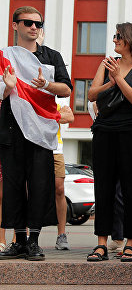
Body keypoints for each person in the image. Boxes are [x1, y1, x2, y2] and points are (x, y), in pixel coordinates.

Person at [0, 6, 72, 261]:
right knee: (13, 185)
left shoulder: (51, 56)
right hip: (11, 129)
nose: (34, 27)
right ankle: (18, 240)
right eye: (28, 23)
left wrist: (46, 85)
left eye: (38, 24)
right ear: (15, 26)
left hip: (41, 131)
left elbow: (66, 89)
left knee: (40, 185)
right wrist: (8, 88)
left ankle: (34, 241)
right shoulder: (4, 56)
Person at [86, 22, 132, 262]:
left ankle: (130, 243)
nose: (114, 40)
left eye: (118, 36)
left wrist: (119, 80)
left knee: (131, 189)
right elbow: (91, 94)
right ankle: (101, 243)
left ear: (131, 39)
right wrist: (110, 82)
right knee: (103, 187)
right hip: (104, 130)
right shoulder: (107, 63)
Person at [54, 104, 75, 250]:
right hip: (36, 148)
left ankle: (61, 235)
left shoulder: (58, 104)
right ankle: (28, 235)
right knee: (31, 191)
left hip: (56, 150)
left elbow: (70, 117)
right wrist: (57, 116)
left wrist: (49, 115)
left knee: (60, 190)